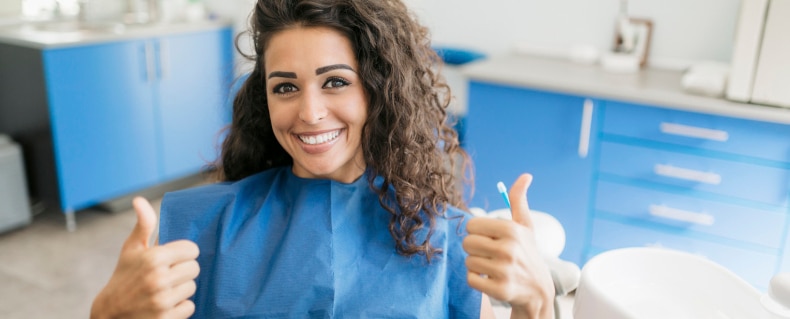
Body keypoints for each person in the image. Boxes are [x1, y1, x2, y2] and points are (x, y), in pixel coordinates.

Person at [90, 0, 555, 318]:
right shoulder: (203, 229)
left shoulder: (446, 238)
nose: (310, 113)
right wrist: (107, 312)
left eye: (335, 81)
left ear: (379, 90)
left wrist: (538, 303)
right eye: (286, 87)